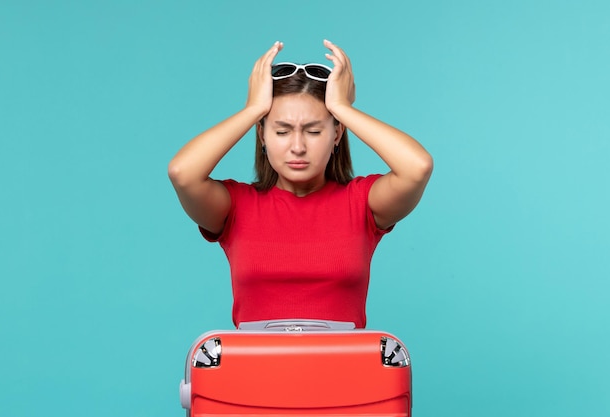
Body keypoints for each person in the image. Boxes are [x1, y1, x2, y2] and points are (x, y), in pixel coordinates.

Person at [168, 40, 433, 329]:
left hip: (347, 372)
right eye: (281, 131)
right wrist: (253, 109)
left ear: (336, 134)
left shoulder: (361, 202)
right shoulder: (237, 206)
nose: (297, 146)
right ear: (262, 135)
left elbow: (417, 167)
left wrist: (342, 107)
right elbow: (183, 172)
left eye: (314, 131)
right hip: (253, 373)